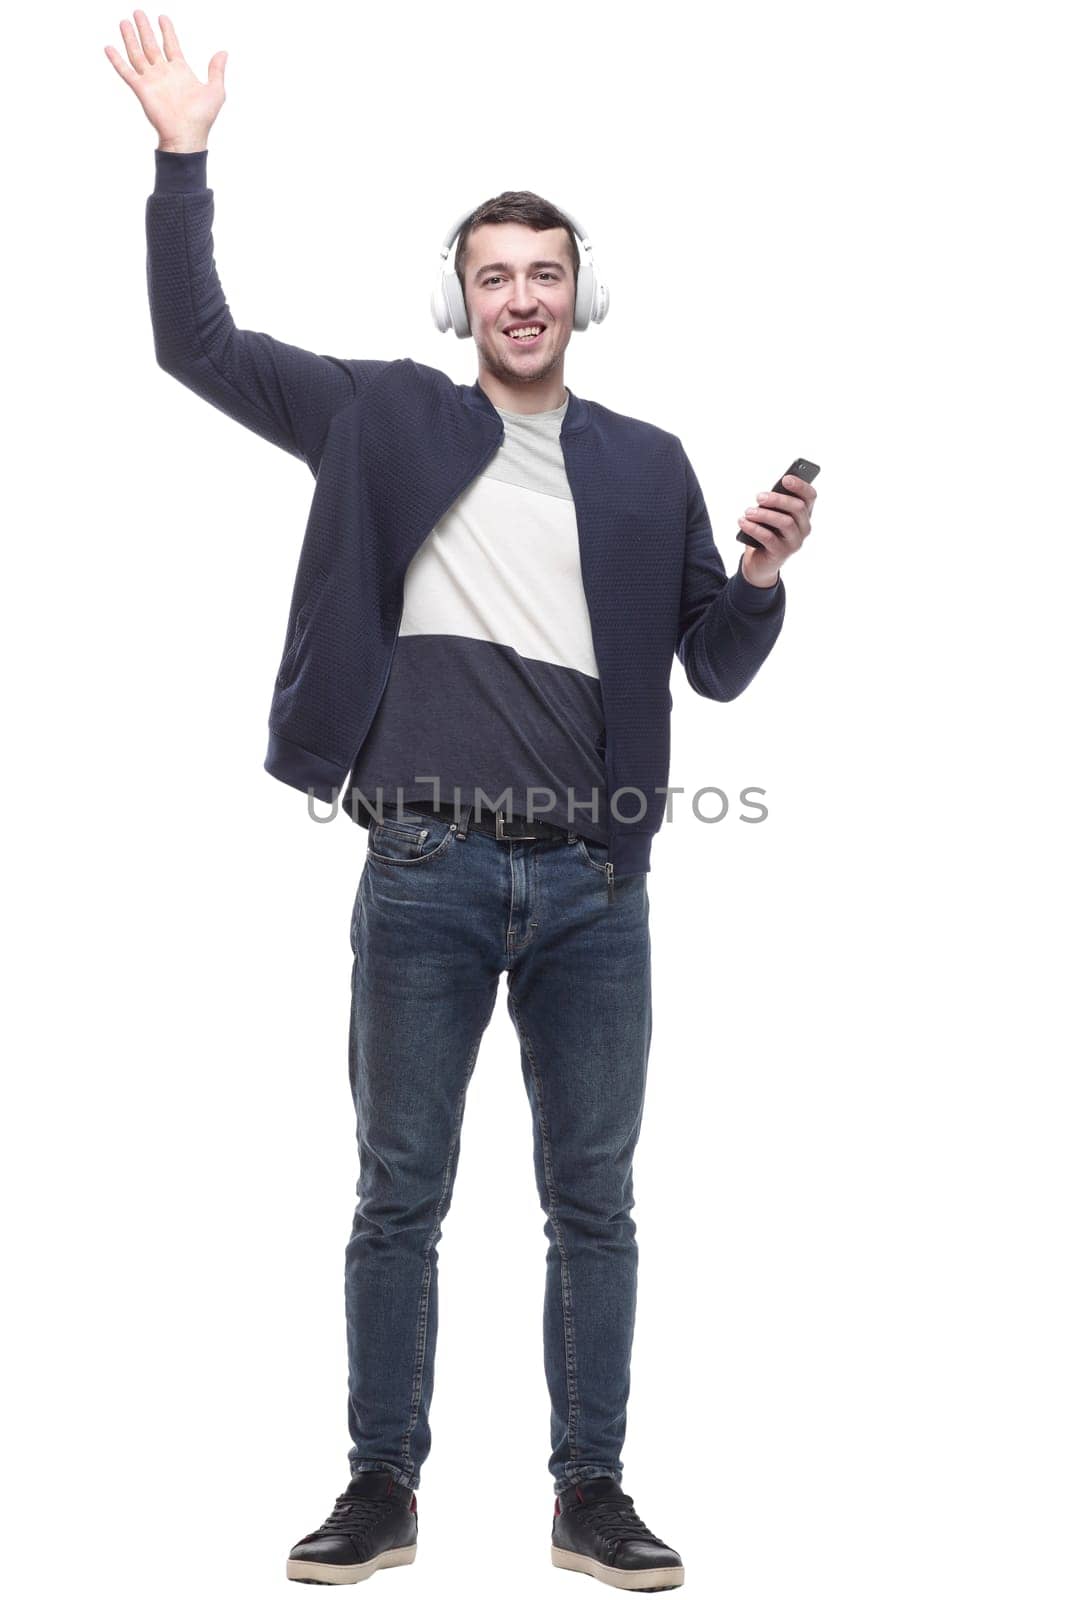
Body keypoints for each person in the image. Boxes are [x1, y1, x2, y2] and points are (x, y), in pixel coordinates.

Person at [107, 12, 816, 1590]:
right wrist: (181, 162)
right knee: (396, 1201)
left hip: (594, 893)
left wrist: (758, 578)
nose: (519, 297)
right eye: (492, 273)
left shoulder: (648, 464)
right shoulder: (383, 416)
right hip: (422, 868)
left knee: (596, 1207)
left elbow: (713, 666)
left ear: (584, 296)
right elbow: (196, 346)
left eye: (543, 272)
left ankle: (592, 1495)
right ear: (457, 297)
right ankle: (381, 1487)